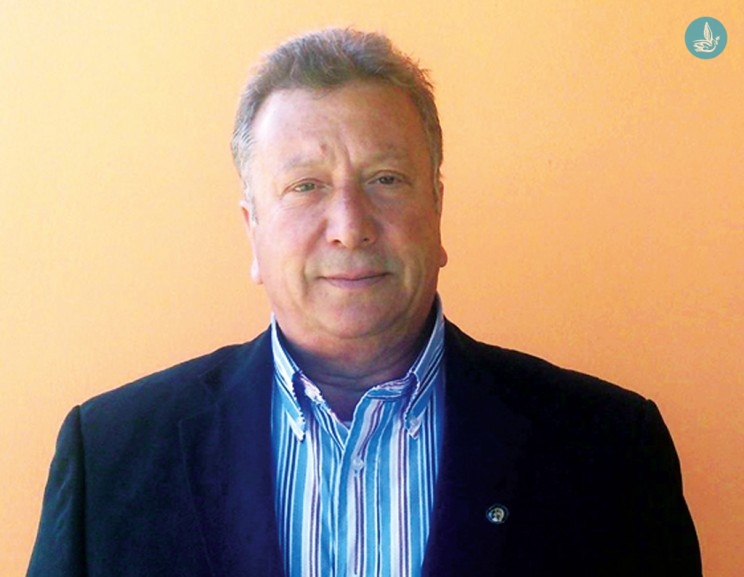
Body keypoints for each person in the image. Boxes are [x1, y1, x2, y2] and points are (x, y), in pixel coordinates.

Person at [28, 28, 702, 577]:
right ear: (252, 229)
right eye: (305, 186)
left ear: (437, 209)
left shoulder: (612, 450)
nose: (350, 225)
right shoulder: (110, 455)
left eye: (385, 179)